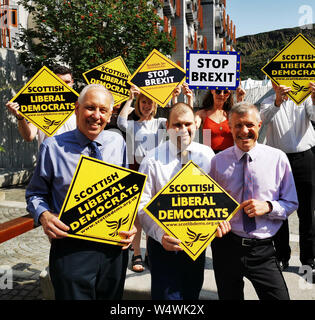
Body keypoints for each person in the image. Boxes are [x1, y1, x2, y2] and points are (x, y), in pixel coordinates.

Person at [25, 84, 136, 300]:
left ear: (110, 113)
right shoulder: (52, 147)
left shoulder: (117, 142)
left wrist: (128, 222)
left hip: (113, 248)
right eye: (90, 108)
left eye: (103, 110)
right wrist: (44, 215)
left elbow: (124, 193)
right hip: (71, 248)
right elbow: (34, 194)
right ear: (77, 108)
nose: (96, 116)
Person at [138, 102, 231, 300]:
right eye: (177, 125)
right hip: (163, 246)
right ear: (168, 127)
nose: (183, 130)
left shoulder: (207, 155)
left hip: (197, 244)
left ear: (196, 126)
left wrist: (219, 220)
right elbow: (142, 204)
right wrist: (159, 233)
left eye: (188, 124)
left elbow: (217, 196)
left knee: (192, 294)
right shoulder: (152, 159)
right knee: (166, 299)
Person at [209, 102, 298, 300]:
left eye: (249, 125)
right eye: (238, 126)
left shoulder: (278, 159)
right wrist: (214, 222)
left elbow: (291, 202)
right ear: (230, 128)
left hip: (263, 249)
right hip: (226, 247)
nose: (244, 131)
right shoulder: (217, 162)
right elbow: (210, 204)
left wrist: (268, 207)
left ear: (259, 125)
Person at [260, 82, 315, 274]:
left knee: (307, 211)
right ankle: (282, 256)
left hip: (304, 156)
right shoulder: (267, 101)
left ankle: (309, 259)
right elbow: (263, 120)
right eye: (277, 80)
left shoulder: (306, 98)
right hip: (277, 159)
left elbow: (314, 116)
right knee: (280, 209)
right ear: (273, 82)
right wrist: (277, 101)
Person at [117, 85, 168, 272]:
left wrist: (181, 98)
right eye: (143, 102)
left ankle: (150, 253)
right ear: (139, 104)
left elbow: (179, 120)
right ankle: (136, 253)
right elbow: (120, 121)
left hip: (156, 170)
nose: (146, 105)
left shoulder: (162, 122)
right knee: (137, 214)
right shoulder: (132, 125)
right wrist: (130, 98)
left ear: (155, 105)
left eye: (150, 102)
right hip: (136, 169)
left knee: (155, 212)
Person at [6, 65, 77, 148]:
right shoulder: (41, 106)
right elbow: (28, 136)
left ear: (72, 82)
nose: (64, 86)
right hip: (48, 160)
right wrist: (20, 118)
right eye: (59, 82)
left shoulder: (81, 106)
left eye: (67, 82)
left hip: (74, 159)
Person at [195, 86, 246, 153]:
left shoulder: (231, 114)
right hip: (209, 157)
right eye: (218, 91)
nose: (221, 94)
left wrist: (240, 100)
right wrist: (189, 98)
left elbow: (243, 125)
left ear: (229, 94)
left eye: (225, 92)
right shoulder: (202, 114)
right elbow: (189, 126)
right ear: (212, 91)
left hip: (229, 157)